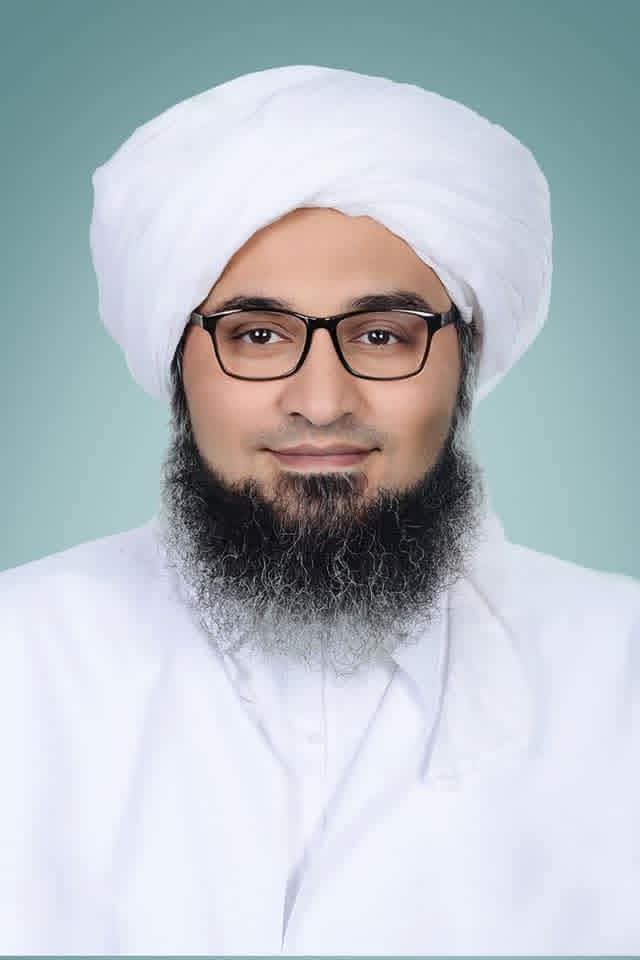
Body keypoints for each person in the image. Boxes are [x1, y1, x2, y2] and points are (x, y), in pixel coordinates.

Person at [0, 64, 638, 955]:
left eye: (382, 335)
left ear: (465, 358)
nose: (322, 401)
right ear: (176, 362)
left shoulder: (620, 667)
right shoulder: (20, 659)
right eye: (258, 335)